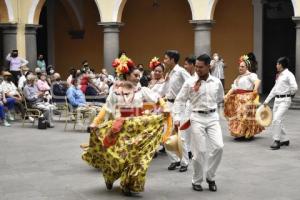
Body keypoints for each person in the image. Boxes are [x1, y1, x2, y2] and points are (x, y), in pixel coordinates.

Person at [82, 55, 170, 196]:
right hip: (120, 128)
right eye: (135, 75)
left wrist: (165, 108)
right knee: (118, 157)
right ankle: (110, 176)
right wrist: (95, 122)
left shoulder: (142, 90)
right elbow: (107, 108)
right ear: (127, 75)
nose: (138, 78)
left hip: (138, 128)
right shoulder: (115, 91)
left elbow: (158, 98)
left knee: (137, 158)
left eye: (139, 75)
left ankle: (129, 184)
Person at [174, 54, 224, 192]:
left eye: (201, 67)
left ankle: (210, 176)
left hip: (213, 116)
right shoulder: (190, 82)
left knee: (219, 147)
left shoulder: (216, 82)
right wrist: (177, 117)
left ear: (209, 66)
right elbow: (180, 100)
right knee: (200, 151)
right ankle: (196, 180)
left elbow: (220, 97)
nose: (197, 69)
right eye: (196, 66)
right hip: (196, 117)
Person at [163, 50, 191, 172]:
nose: (164, 61)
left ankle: (185, 161)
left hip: (179, 105)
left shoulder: (180, 72)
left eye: (166, 59)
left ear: (172, 60)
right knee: (166, 134)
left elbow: (191, 82)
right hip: (168, 105)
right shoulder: (169, 73)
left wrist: (188, 101)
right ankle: (174, 160)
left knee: (181, 134)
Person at [224, 55, 264, 140]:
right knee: (238, 116)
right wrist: (227, 95)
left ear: (247, 67)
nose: (240, 68)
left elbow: (257, 81)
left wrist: (255, 90)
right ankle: (241, 133)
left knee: (244, 116)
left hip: (247, 98)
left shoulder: (251, 75)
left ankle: (246, 133)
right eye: (239, 66)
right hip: (238, 99)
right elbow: (234, 88)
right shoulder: (238, 77)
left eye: (242, 66)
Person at [263, 57, 298, 150]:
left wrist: (290, 95)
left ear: (282, 65)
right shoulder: (279, 75)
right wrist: (266, 101)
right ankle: (285, 139)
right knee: (278, 120)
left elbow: (294, 87)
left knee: (276, 119)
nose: (276, 65)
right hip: (277, 100)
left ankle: (276, 141)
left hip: (285, 100)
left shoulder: (288, 75)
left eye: (278, 64)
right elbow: (274, 89)